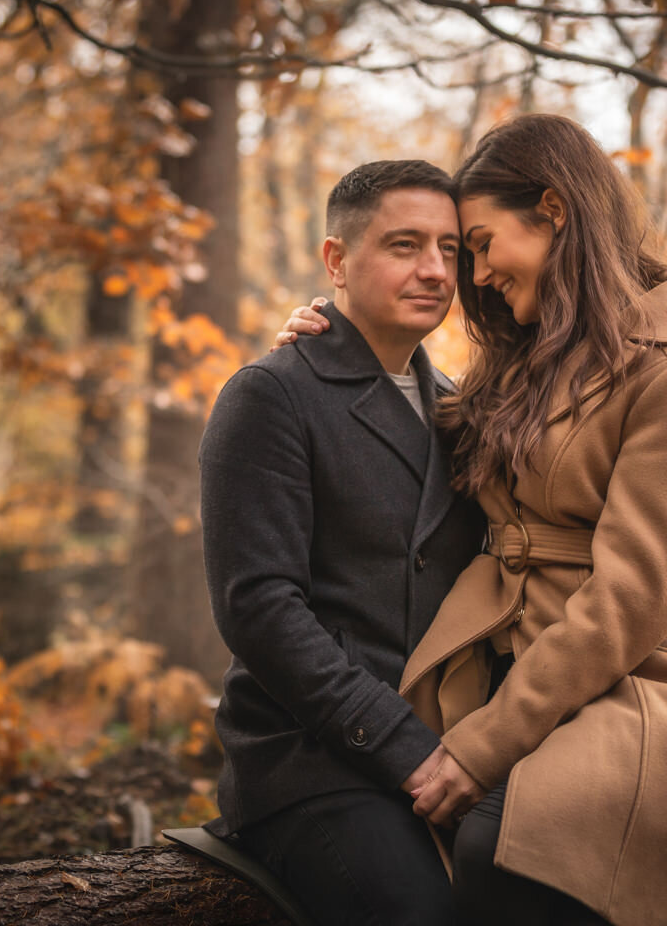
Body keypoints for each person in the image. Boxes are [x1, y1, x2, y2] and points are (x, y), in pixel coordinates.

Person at [276, 113, 667, 926]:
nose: (471, 272)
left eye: (476, 243)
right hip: (526, 661)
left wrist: (483, 745)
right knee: (407, 850)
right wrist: (330, 349)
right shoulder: (530, 356)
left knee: (505, 849)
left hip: (656, 678)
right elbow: (410, 432)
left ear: (554, 211)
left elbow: (628, 604)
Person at [198, 159, 488, 926]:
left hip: (456, 748)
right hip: (315, 766)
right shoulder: (270, 395)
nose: (434, 270)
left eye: (450, 250)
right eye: (404, 245)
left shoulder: (459, 407)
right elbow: (260, 609)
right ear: (337, 261)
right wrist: (402, 747)